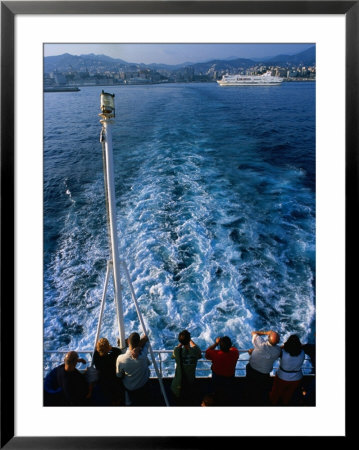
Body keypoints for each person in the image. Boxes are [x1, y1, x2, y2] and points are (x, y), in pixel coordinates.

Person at [245, 330, 281, 405]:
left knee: (250, 385)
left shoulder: (260, 343)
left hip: (252, 370)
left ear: (268, 338)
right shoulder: (278, 351)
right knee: (261, 390)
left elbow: (253, 333)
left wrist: (266, 332)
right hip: (264, 375)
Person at [116, 332, 151, 406]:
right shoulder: (143, 354)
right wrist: (138, 347)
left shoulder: (121, 358)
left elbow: (118, 375)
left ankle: (128, 401)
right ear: (139, 342)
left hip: (129, 386)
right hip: (143, 382)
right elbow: (146, 340)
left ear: (128, 342)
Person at [269, 334, 305, 405]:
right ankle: (285, 403)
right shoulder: (302, 352)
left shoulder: (282, 352)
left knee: (276, 393)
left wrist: (283, 346)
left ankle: (272, 403)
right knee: (289, 394)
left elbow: (276, 350)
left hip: (282, 377)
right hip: (296, 378)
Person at [171, 330, 202, 406]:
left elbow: (174, 354)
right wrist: (190, 340)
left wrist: (182, 342)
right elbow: (197, 351)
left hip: (178, 383)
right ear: (189, 339)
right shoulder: (196, 351)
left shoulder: (177, 351)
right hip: (190, 382)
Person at [205, 336, 239, 405]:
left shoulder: (216, 354)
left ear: (220, 346)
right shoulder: (235, 353)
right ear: (229, 345)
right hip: (229, 377)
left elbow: (207, 352)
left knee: (216, 392)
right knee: (227, 393)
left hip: (217, 377)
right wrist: (226, 345)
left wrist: (216, 343)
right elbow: (233, 349)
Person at [93, 337, 124, 405]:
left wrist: (106, 348)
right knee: (117, 394)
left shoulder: (96, 356)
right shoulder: (114, 355)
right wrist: (111, 348)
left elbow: (97, 351)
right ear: (108, 347)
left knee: (109, 395)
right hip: (114, 379)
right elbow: (118, 351)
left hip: (103, 380)